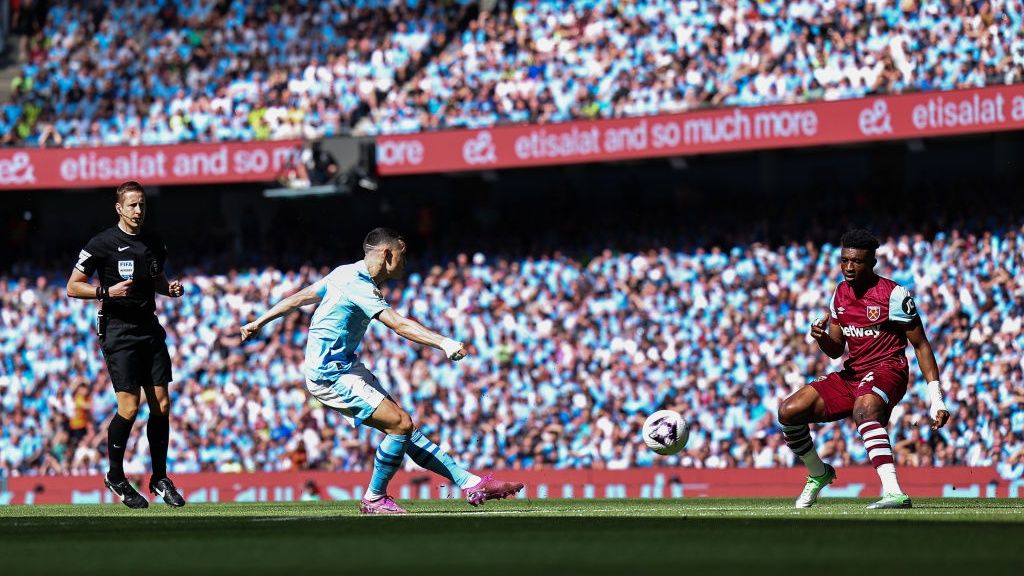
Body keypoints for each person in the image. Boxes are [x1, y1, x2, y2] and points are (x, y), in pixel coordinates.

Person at [240, 227, 524, 514]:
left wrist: (259, 322)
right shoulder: (358, 284)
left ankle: (470, 482)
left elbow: (299, 297)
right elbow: (398, 324)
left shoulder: (343, 273)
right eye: (403, 255)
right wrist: (444, 342)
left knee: (405, 429)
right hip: (330, 374)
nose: (405, 262)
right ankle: (374, 498)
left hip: (347, 367)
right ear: (387, 254)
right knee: (400, 424)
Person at [777, 229, 950, 509]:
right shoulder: (840, 294)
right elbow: (835, 349)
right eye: (844, 260)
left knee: (865, 409)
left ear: (871, 263)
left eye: (856, 262)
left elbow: (921, 345)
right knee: (789, 411)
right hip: (853, 374)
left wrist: (937, 399)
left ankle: (894, 491)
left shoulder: (894, 295)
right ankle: (818, 473)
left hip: (888, 369)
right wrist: (821, 337)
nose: (848, 267)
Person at [66, 181, 186, 509]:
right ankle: (115, 476)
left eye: (142, 205)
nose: (138, 210)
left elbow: (156, 277)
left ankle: (159, 478)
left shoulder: (154, 241)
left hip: (149, 327)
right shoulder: (102, 244)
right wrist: (106, 292)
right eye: (132, 205)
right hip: (119, 331)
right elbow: (73, 287)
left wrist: (168, 289)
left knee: (161, 405)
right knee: (129, 408)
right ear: (119, 208)